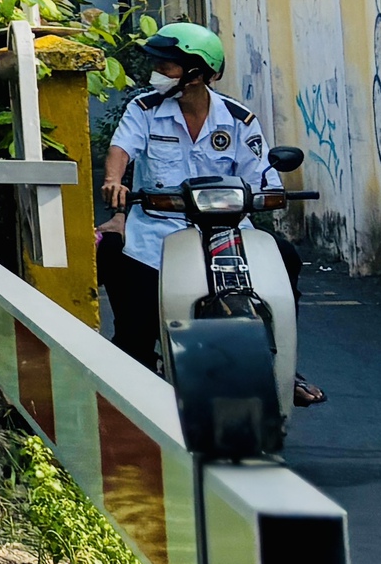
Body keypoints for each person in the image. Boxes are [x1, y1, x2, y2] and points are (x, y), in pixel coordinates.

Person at [98, 21, 325, 405]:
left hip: (227, 233)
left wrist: (270, 194)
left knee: (285, 257)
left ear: (198, 73)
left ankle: (283, 363)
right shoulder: (145, 109)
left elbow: (262, 176)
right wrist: (114, 181)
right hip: (155, 234)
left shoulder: (238, 120)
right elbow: (121, 149)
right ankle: (130, 376)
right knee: (127, 300)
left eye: (167, 66)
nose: (157, 73)